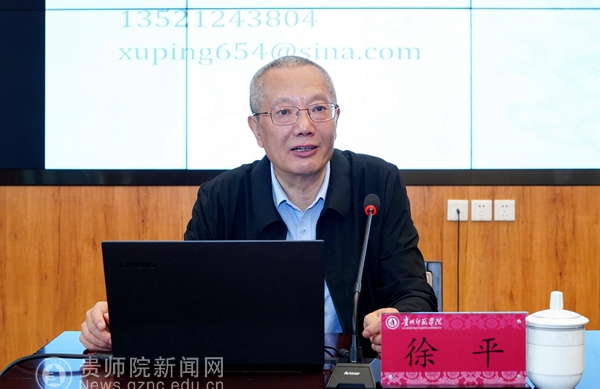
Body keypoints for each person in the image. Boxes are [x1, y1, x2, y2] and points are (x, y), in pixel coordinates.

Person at [80, 56, 438, 356]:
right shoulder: (222, 198)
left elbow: (415, 293)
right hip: (249, 374)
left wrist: (396, 320)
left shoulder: (376, 185)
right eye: (284, 112)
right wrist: (118, 322)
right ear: (256, 129)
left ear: (336, 118)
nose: (304, 126)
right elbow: (185, 303)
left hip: (352, 375)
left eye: (318, 109)